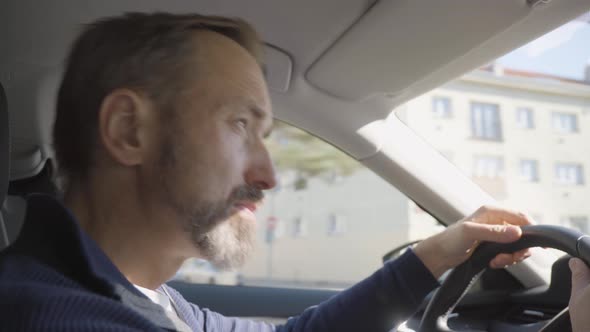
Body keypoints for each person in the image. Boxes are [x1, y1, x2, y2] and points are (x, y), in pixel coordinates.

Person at [0, 12, 581, 331]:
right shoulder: (58, 315)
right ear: (130, 130)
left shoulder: (142, 296)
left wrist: (435, 255)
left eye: (265, 135)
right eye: (238, 126)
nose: (269, 174)